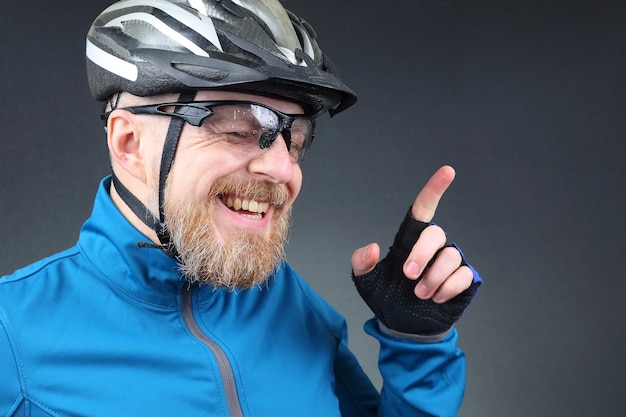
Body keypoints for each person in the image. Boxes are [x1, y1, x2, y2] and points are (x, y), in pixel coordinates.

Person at [0, 0, 482, 416]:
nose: (281, 168)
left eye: (294, 138)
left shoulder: (286, 303)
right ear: (129, 143)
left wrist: (417, 344)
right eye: (237, 127)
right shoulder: (12, 332)